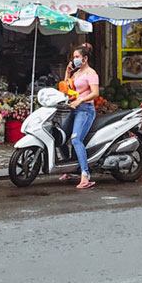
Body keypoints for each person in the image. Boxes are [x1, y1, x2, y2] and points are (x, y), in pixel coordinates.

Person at [64, 44, 99, 190]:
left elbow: (95, 93)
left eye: (77, 57)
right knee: (61, 135)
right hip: (73, 108)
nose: (75, 59)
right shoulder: (76, 73)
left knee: (76, 139)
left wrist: (81, 100)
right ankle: (70, 168)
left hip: (85, 110)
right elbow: (67, 88)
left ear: (85, 59)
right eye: (74, 57)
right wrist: (67, 72)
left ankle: (85, 175)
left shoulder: (91, 73)